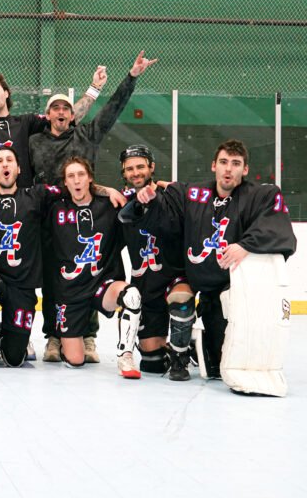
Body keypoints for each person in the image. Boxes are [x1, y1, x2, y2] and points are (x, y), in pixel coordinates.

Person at [122, 139, 297, 382]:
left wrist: (246, 245)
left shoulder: (258, 195)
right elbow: (165, 220)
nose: (229, 169)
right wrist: (148, 201)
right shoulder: (193, 193)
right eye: (224, 162)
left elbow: (277, 226)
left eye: (236, 164)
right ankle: (180, 355)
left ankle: (200, 343)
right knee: (174, 316)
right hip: (196, 281)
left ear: (244, 170)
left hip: (229, 291)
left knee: (218, 369)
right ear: (214, 165)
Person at [28, 50, 158, 365]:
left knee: (93, 270)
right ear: (48, 115)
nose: (61, 112)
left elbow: (112, 110)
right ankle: (53, 336)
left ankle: (87, 335)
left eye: (65, 108)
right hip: (53, 218)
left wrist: (132, 77)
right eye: (55, 108)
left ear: (73, 114)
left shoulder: (87, 134)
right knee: (55, 278)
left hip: (89, 213)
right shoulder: (34, 142)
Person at [0, 146, 63, 374]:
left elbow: (78, 188)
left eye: (9, 160)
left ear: (18, 168)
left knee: (15, 359)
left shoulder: (36, 195)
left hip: (22, 284)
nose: (5, 164)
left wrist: (108, 191)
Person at [46, 156, 142, 378]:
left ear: (90, 178)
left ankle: (125, 356)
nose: (77, 180)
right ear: (65, 182)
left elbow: (142, 190)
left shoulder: (110, 205)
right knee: (75, 360)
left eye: (81, 175)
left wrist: (165, 185)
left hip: (103, 285)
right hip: (70, 293)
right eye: (71, 176)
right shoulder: (54, 209)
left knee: (131, 295)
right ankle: (69, 339)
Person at [118, 144, 195, 381]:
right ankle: (185, 342)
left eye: (140, 166)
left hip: (173, 280)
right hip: (145, 289)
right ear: (124, 173)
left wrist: (179, 190)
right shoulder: (121, 202)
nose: (136, 172)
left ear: (152, 167)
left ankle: (183, 350)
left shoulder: (172, 194)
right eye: (129, 169)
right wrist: (105, 190)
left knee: (181, 301)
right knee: (153, 365)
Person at [0, 68, 106, 189]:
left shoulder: (26, 122)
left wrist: (95, 88)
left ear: (6, 93)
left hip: (23, 199)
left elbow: (63, 117)